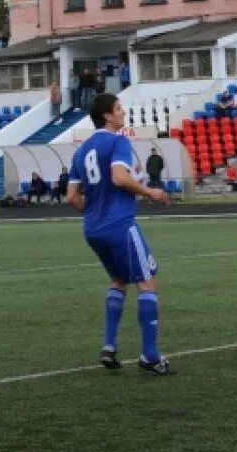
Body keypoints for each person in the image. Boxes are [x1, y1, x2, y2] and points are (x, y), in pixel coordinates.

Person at [68, 93, 173, 374]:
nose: (123, 112)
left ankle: (109, 346)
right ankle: (150, 356)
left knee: (118, 280)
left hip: (93, 228)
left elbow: (72, 197)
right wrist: (150, 191)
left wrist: (95, 211)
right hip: (119, 224)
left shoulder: (81, 150)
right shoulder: (118, 142)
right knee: (147, 284)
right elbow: (118, 177)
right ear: (107, 116)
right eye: (118, 108)